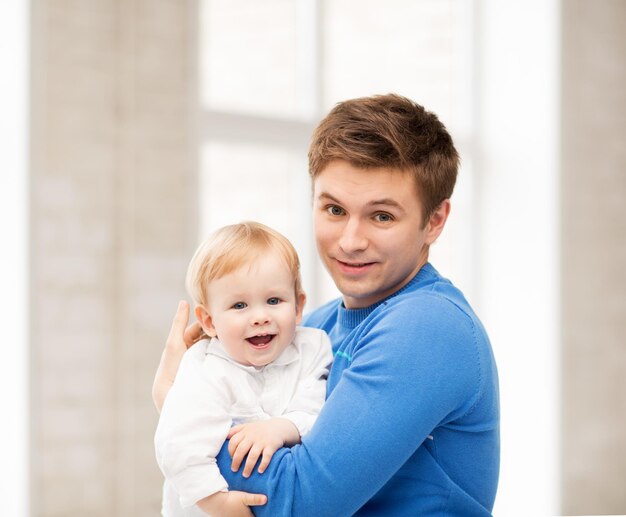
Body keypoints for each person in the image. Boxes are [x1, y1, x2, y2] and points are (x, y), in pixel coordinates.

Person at [154, 93, 500, 516]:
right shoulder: (313, 330)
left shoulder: (427, 327)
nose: (351, 241)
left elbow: (302, 500)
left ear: (435, 221)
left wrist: (179, 407)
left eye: (382, 216)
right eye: (334, 209)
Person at [154, 222, 333, 516]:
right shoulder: (205, 370)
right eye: (239, 305)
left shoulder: (312, 348)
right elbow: (178, 445)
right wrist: (217, 503)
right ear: (209, 321)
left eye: (274, 300)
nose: (260, 316)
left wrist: (282, 428)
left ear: (299, 306)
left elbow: (320, 411)